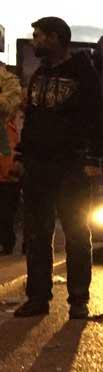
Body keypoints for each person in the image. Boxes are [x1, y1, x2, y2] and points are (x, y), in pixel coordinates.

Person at [12, 17, 103, 319]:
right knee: (37, 234)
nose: (34, 40)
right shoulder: (39, 75)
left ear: (55, 38)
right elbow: (33, 122)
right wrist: (21, 156)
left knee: (77, 232)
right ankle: (38, 298)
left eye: (39, 36)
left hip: (72, 167)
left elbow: (98, 118)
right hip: (38, 167)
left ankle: (78, 299)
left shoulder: (83, 73)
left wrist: (94, 159)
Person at [0, 68, 22, 255]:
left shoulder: (8, 82)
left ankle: (6, 242)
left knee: (6, 212)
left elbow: (8, 104)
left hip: (6, 169)